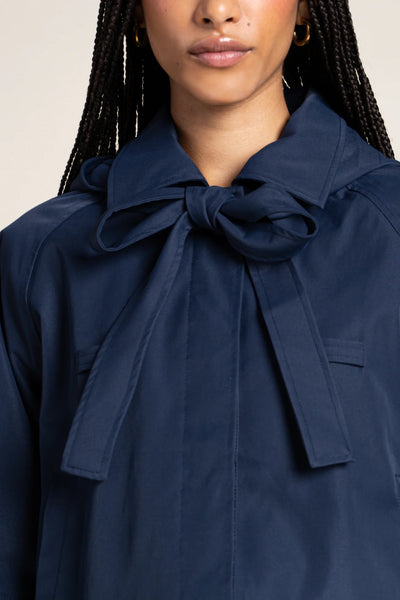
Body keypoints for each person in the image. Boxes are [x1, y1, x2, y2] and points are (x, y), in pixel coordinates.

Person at [1, 0, 400, 598]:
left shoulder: (391, 232)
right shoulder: (42, 256)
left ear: (305, 11)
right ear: (134, 14)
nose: (217, 11)